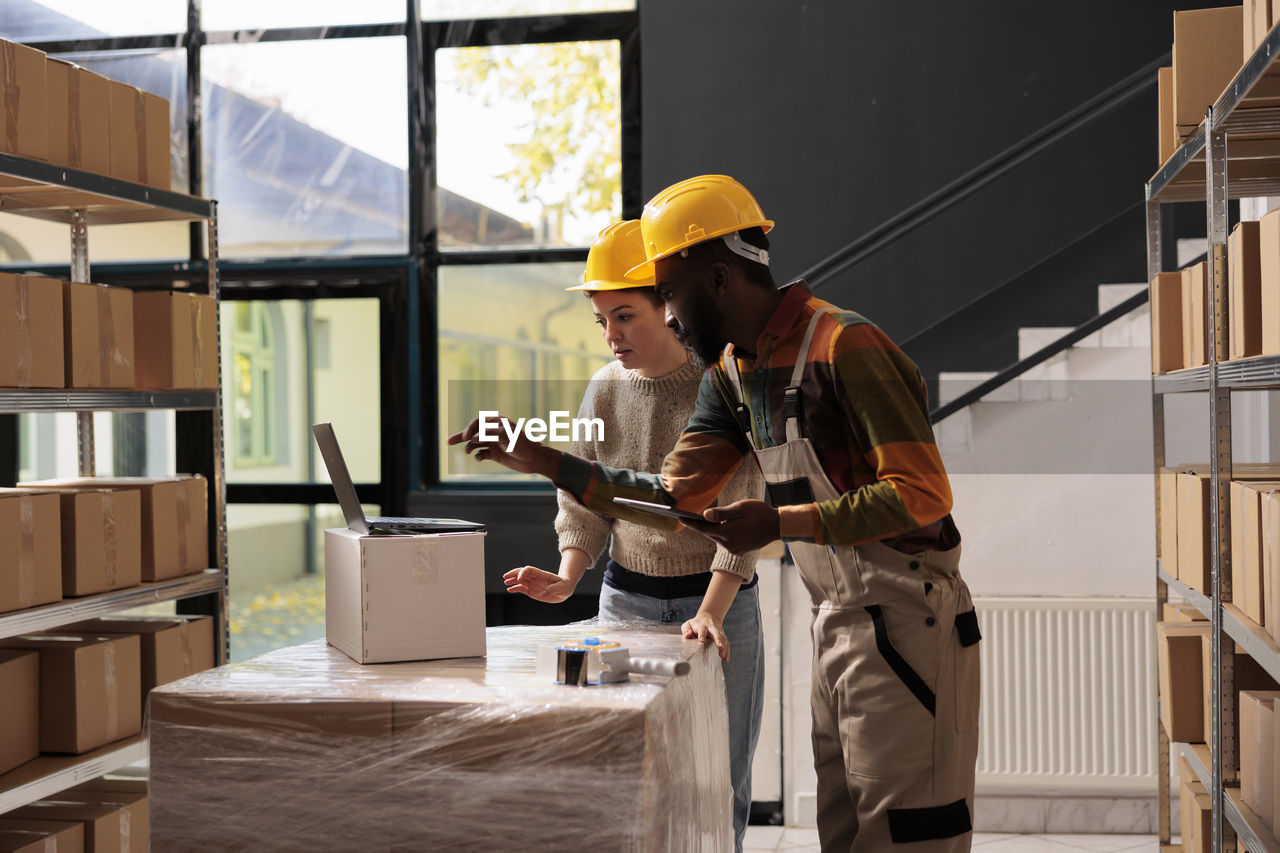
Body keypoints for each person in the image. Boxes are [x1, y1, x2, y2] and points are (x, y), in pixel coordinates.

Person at [451, 175, 980, 852]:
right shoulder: (735, 374)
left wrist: (779, 523)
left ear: (720, 277)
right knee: (846, 831)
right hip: (837, 622)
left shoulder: (846, 346)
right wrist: (547, 460)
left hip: (910, 618)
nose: (668, 316)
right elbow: (672, 501)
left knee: (909, 837)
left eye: (669, 293)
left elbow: (922, 493)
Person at [501, 219, 767, 853]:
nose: (612, 335)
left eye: (625, 315)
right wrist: (567, 576)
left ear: (668, 307)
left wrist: (709, 614)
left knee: (720, 777)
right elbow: (586, 501)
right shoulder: (603, 390)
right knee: (633, 772)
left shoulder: (722, 380)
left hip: (722, 607)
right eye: (602, 321)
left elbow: (743, 509)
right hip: (625, 604)